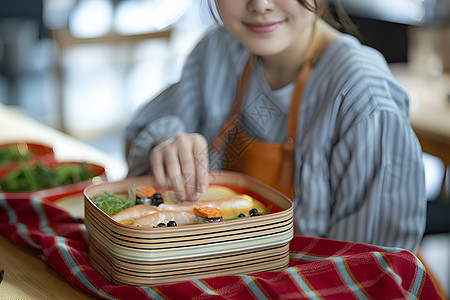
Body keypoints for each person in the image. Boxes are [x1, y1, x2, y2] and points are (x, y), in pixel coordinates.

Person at [125, 0, 426, 252]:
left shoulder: (364, 99)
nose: (260, 5)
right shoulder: (216, 50)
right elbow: (140, 135)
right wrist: (164, 143)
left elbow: (372, 265)